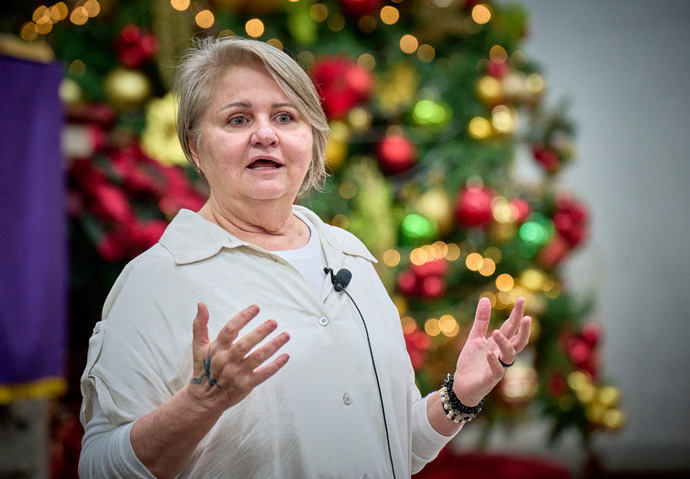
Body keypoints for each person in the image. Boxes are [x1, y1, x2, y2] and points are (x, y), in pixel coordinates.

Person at [78, 36, 531, 479]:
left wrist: (458, 397)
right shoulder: (155, 281)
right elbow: (99, 468)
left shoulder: (350, 258)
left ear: (311, 140)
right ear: (196, 149)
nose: (264, 134)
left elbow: (393, 447)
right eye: (237, 120)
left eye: (284, 116)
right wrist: (198, 404)